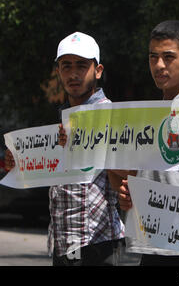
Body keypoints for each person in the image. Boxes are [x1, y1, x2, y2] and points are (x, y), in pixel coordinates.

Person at [5, 32, 125, 266]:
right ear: (58, 71)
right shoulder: (61, 120)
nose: (73, 74)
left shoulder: (112, 115)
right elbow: (46, 170)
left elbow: (129, 172)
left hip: (97, 243)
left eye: (81, 65)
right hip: (62, 242)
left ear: (97, 71)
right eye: (66, 66)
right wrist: (17, 164)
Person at [109, 20, 179, 266]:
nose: (159, 65)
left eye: (168, 57)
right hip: (150, 244)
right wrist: (125, 192)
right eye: (153, 57)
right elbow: (131, 174)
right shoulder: (150, 113)